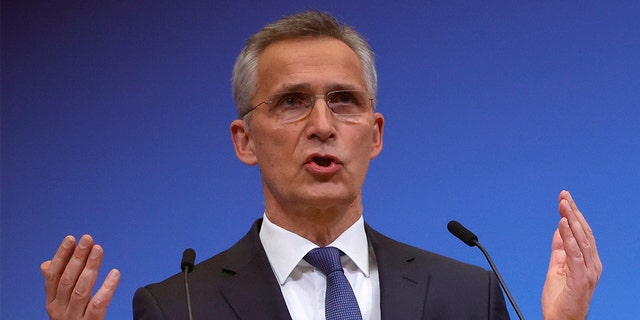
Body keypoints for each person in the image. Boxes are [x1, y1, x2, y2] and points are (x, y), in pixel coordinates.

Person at [41, 11, 602, 319]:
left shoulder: (466, 295)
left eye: (344, 101)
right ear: (244, 140)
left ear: (375, 134)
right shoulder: (180, 307)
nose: (322, 125)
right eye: (291, 102)